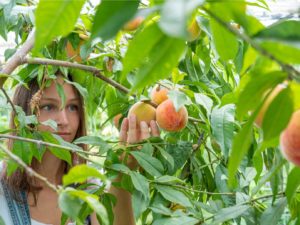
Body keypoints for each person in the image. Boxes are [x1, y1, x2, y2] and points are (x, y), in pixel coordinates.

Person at [0, 73, 160, 225]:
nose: (63, 120)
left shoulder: (89, 186)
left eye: (72, 107)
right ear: (23, 114)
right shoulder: (2, 189)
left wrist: (125, 168)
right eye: (48, 107)